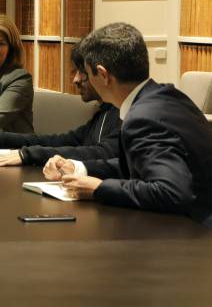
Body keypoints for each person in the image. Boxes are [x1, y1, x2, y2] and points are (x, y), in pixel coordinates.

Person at [42, 23, 212, 227]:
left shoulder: (143, 118)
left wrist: (100, 188)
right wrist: (81, 167)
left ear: (103, 75)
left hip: (195, 236)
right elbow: (141, 164)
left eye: (87, 73)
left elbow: (172, 191)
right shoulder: (168, 96)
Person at [0, 41, 121, 166]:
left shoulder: (123, 113)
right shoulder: (104, 112)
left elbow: (100, 153)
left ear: (103, 74)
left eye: (82, 73)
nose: (75, 80)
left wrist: (27, 155)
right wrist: (2, 138)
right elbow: (65, 140)